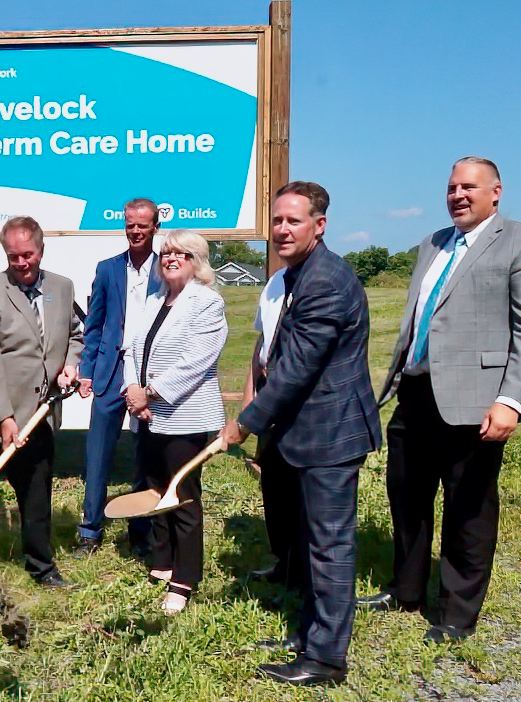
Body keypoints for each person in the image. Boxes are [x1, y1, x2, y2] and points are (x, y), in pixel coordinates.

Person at [360, 157, 521, 643]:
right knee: (406, 497)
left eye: (469, 187)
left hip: (477, 400)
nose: (458, 195)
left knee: (468, 509)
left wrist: (510, 399)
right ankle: (406, 590)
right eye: (452, 187)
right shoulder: (433, 243)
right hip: (416, 392)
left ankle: (455, 614)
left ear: (496, 192)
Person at [221, 181, 381, 686]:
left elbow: (296, 370)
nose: (282, 229)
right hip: (304, 431)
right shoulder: (297, 275)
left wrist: (244, 423)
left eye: (294, 220)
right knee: (312, 543)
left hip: (330, 434)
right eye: (277, 220)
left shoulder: (327, 280)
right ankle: (310, 634)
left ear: (320, 225)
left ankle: (326, 659)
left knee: (329, 546)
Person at [0, 216, 84, 614]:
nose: (22, 263)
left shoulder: (62, 287)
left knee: (37, 497)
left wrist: (70, 364)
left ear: (41, 250)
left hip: (38, 416)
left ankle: (42, 567)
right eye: (13, 256)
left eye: (28, 254)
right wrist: (3, 419)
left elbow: (75, 334)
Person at [121, 230, 227, 615]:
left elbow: (196, 361)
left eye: (180, 253)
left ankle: (184, 579)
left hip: (186, 416)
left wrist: (150, 393)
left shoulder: (207, 303)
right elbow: (131, 350)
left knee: (182, 497)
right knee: (156, 490)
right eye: (166, 252)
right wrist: (133, 390)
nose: (170, 258)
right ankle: (162, 560)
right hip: (148, 415)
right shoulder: (154, 300)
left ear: (197, 261)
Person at [75, 197, 161, 555]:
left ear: (155, 227)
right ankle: (89, 531)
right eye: (130, 225)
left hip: (148, 374)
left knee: (146, 455)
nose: (135, 231)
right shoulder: (108, 269)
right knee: (98, 456)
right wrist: (87, 371)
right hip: (110, 371)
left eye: (142, 225)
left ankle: (141, 532)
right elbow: (94, 324)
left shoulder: (166, 268)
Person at [241, 262, 306, 592]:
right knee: (274, 483)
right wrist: (250, 392)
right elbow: (263, 342)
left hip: (302, 399)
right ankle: (283, 559)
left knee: (299, 486)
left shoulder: (321, 282)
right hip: (269, 392)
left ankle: (303, 571)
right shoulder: (275, 282)